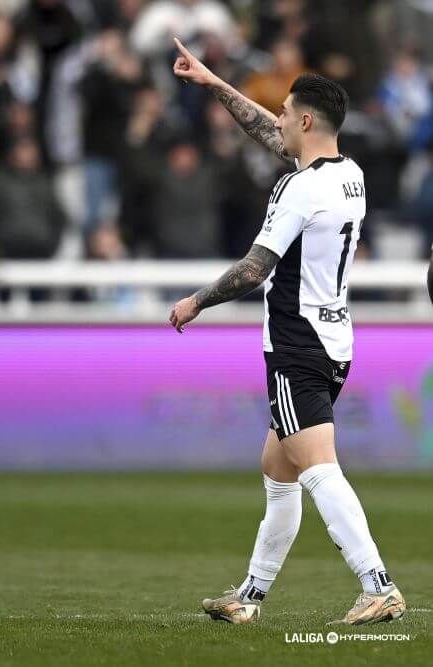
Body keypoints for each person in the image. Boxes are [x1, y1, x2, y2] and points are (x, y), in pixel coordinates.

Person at [168, 37, 406, 626]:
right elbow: (268, 134)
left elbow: (255, 268)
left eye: (283, 111)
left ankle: (377, 583)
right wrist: (213, 81)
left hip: (297, 343)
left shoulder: (299, 189)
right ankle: (249, 597)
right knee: (280, 469)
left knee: (318, 467)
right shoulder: (348, 175)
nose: (274, 118)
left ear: (304, 118)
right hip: (336, 341)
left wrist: (196, 302)